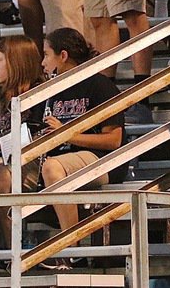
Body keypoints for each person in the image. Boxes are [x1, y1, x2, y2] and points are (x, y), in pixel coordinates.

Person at [40, 28, 124, 232]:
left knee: (52, 168)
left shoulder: (99, 85)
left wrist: (67, 134)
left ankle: (70, 248)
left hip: (102, 159)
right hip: (61, 157)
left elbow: (114, 140)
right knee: (4, 175)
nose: (42, 63)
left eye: (46, 55)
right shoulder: (52, 90)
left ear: (63, 56)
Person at [0, 36, 46, 236]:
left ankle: (12, 243)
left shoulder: (40, 94)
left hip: (34, 159)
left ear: (16, 63)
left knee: (0, 173)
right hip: (10, 158)